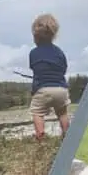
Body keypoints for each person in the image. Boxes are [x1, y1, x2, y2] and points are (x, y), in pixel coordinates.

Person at [28, 13, 70, 141]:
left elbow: (36, 71)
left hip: (43, 90)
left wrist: (34, 91)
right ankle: (67, 136)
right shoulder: (59, 52)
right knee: (62, 113)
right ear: (53, 35)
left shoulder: (34, 53)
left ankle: (40, 136)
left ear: (36, 36)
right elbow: (64, 68)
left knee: (37, 112)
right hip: (61, 89)